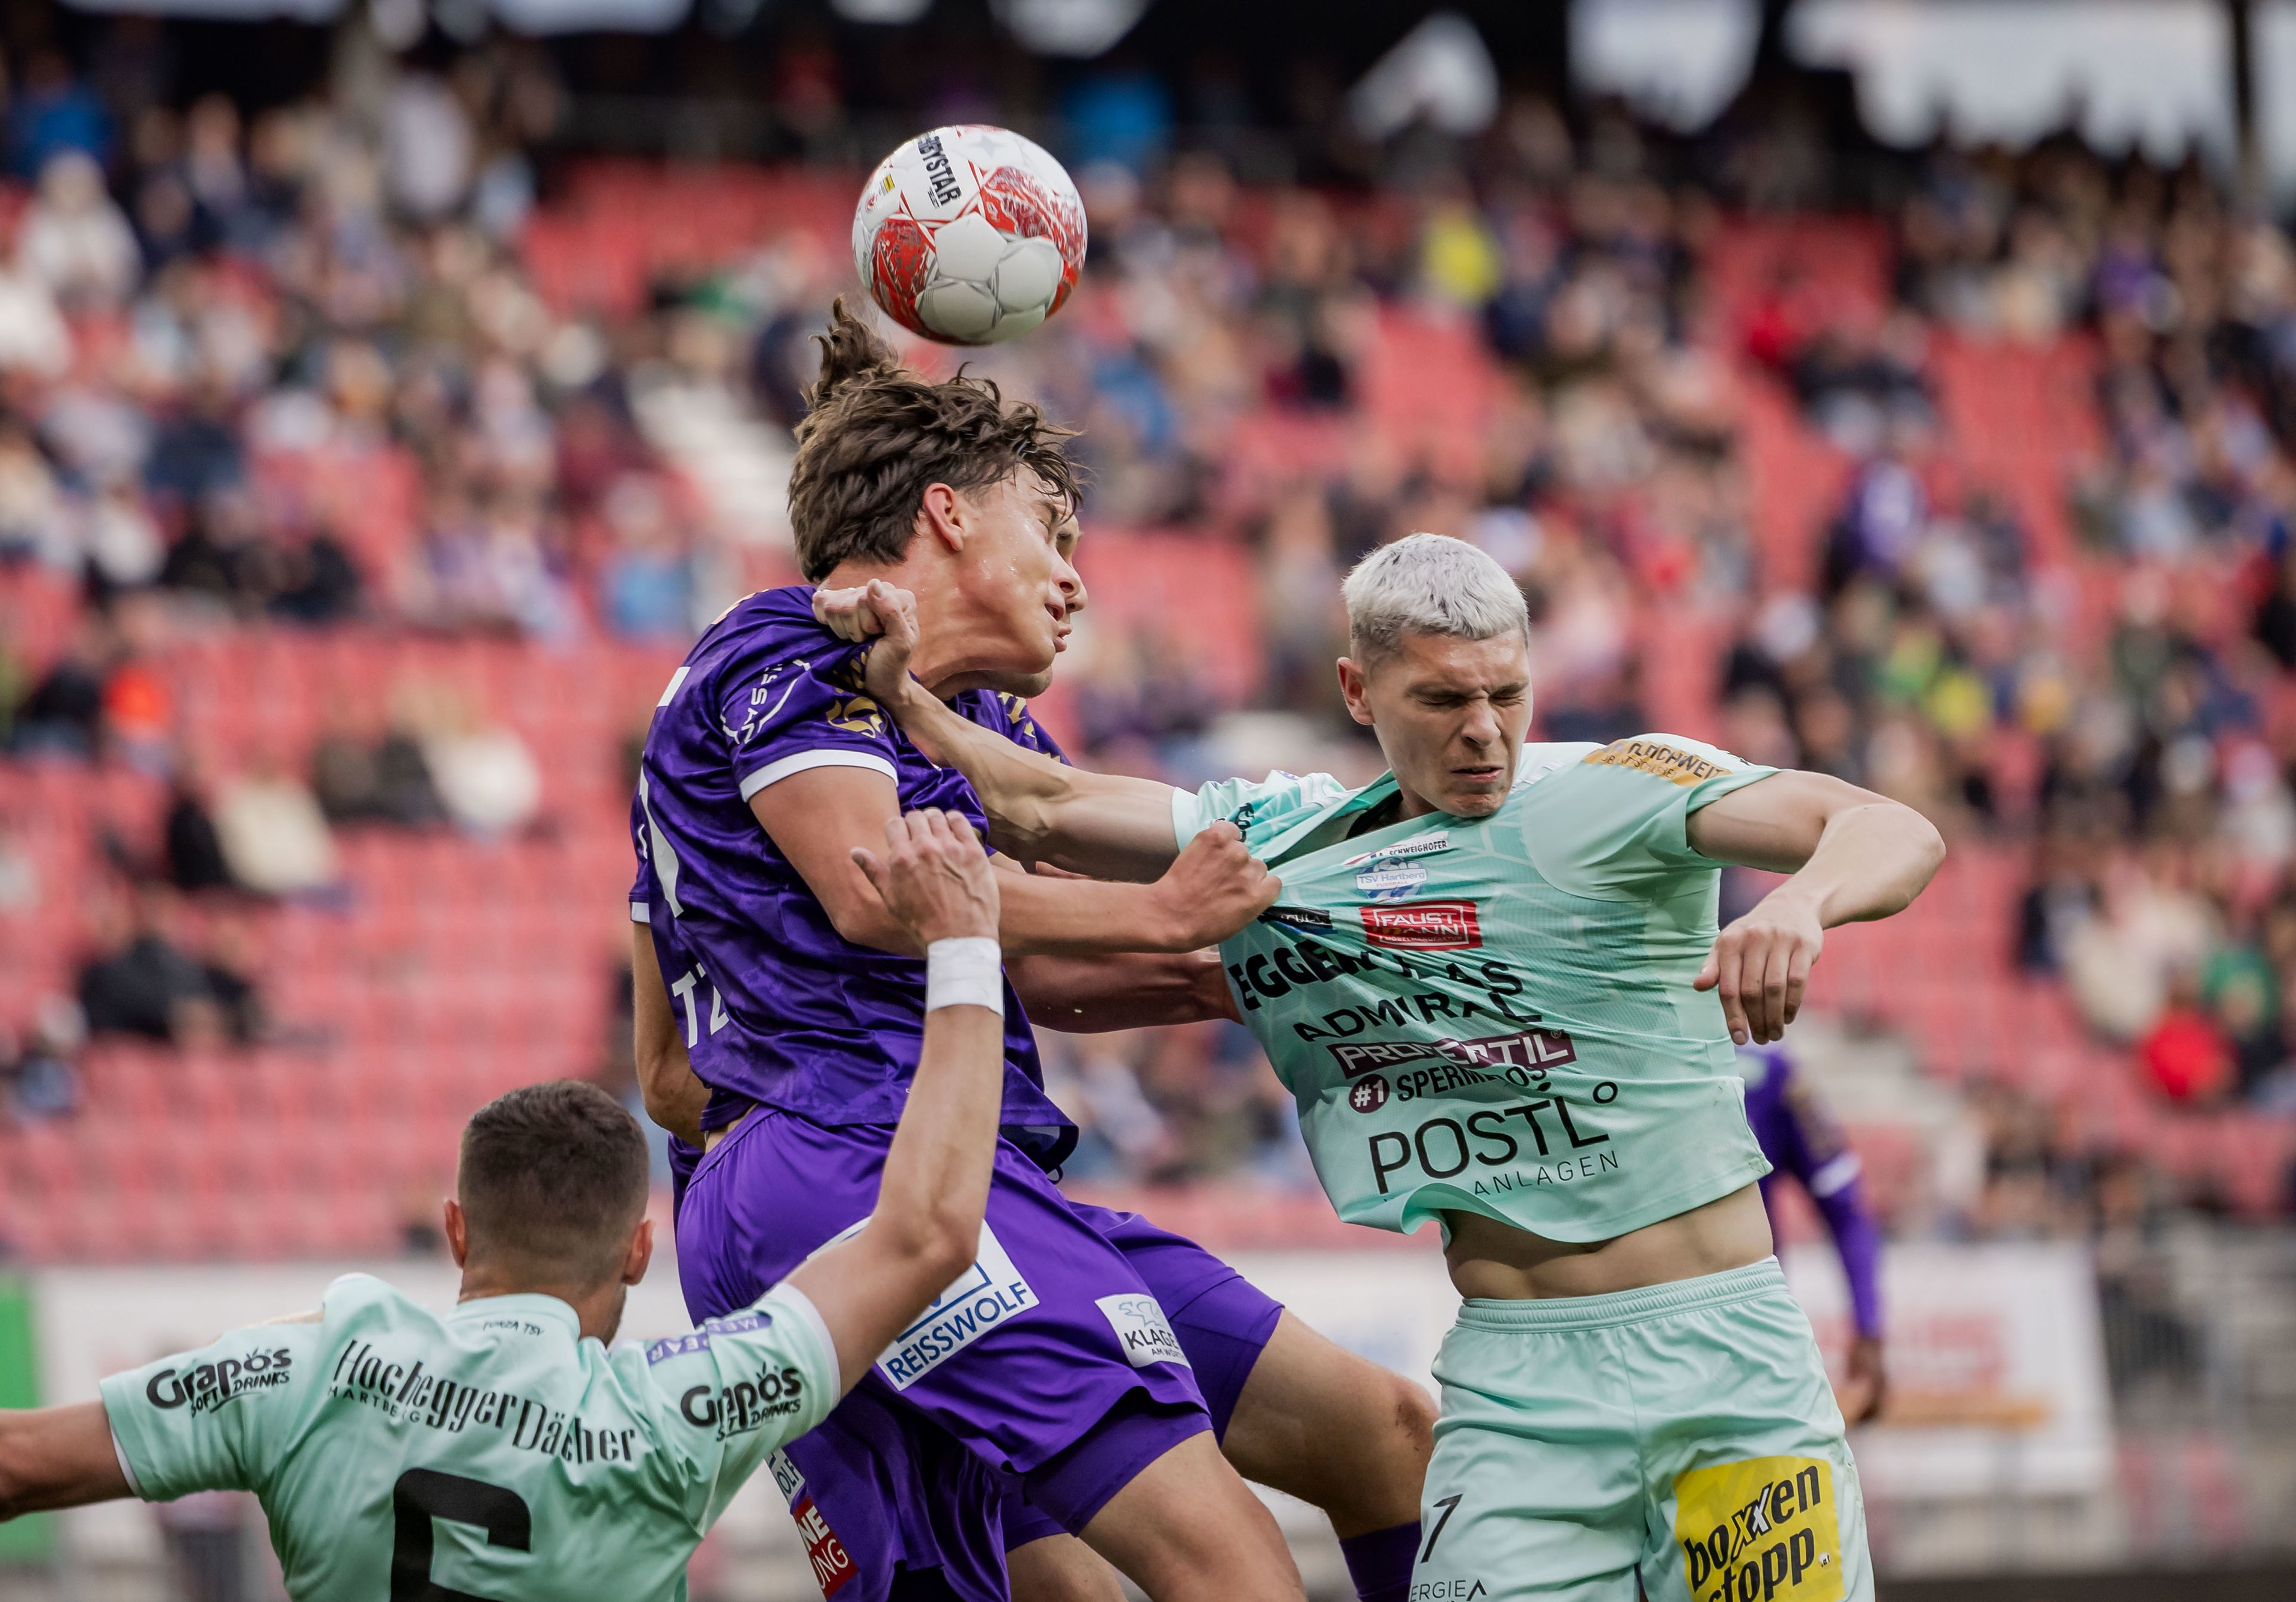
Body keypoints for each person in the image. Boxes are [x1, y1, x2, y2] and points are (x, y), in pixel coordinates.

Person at [819, 531, 1948, 1602]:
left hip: (1723, 1365)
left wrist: (1800, 901)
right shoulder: (1295, 832)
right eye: (1444, 701)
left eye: (1507, 694)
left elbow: (1886, 827)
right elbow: (1041, 804)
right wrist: (899, 684)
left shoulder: (1627, 786)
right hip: (1516, 1392)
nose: (1486, 733)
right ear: (1360, 694)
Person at [630, 300, 1434, 1602]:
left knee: (1382, 1435)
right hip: (853, 1166)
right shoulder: (786, 643)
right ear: (947, 513)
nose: (1075, 578)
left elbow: (1035, 961)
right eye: (1049, 534)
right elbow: (879, 892)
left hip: (945, 1161)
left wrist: (1244, 983)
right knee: (1231, 1571)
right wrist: (1171, 914)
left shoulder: (971, 728)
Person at [0, 809, 1024, 1602]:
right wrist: (966, 946)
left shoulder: (318, 1368)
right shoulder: (680, 1406)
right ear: (640, 1251)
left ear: (455, 1228)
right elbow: (924, 1234)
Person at [1738, 1043, 1888, 1423]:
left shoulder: (1773, 1075)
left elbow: (1846, 1209)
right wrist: (1868, 1325)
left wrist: (1869, 1327)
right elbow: (1848, 1212)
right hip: (1626, 1330)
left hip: (1750, 1337)